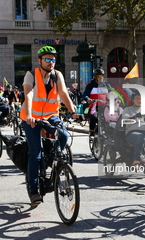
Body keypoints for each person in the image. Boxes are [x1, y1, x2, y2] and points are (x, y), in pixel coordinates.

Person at [20, 45, 78, 206]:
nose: (51, 62)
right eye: (47, 59)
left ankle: (53, 157)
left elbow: (63, 93)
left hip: (51, 115)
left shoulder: (57, 75)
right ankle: (34, 191)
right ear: (40, 60)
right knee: (35, 154)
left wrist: (73, 111)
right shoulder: (31, 75)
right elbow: (29, 94)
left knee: (64, 135)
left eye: (53, 59)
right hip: (31, 118)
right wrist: (30, 115)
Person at [121, 90, 145, 167]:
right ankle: (136, 159)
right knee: (141, 136)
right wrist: (133, 116)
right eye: (137, 98)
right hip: (132, 134)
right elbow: (125, 117)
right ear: (133, 100)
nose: (139, 100)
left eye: (141, 98)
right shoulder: (128, 109)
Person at [83, 68, 109, 137]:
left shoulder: (106, 85)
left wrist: (116, 98)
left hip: (104, 106)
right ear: (95, 77)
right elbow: (85, 95)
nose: (101, 78)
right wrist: (88, 99)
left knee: (109, 116)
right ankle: (91, 131)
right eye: (99, 76)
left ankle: (106, 130)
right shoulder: (90, 85)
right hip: (94, 106)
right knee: (93, 116)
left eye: (102, 76)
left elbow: (112, 92)